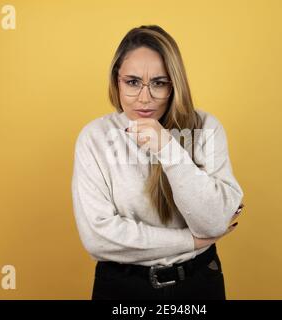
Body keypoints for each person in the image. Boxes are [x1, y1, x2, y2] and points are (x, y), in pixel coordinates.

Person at [71, 25, 244, 300]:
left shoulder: (206, 129)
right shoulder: (95, 138)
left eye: (159, 83)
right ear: (116, 81)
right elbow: (99, 238)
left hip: (198, 283)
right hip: (121, 287)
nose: (144, 97)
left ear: (175, 84)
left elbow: (212, 222)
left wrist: (169, 149)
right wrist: (190, 241)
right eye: (132, 82)